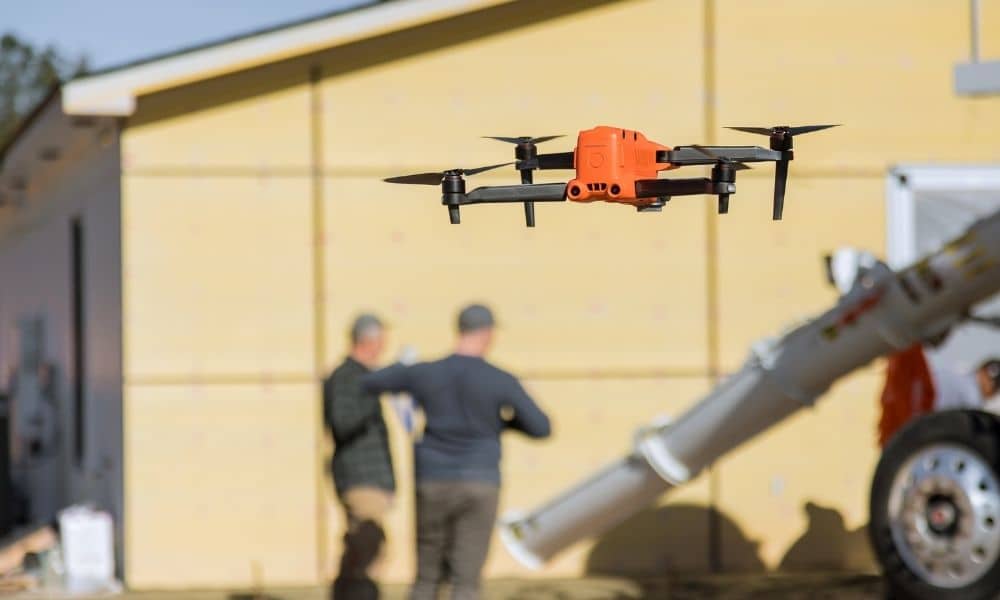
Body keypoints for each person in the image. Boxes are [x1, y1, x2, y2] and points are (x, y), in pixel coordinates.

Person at [362, 303, 551, 600]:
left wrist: (403, 365)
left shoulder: (426, 372)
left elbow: (371, 381)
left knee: (426, 576)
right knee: (466, 579)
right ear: (488, 334)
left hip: (433, 479)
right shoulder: (500, 379)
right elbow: (541, 427)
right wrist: (502, 424)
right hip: (481, 481)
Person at [324, 314, 395, 600]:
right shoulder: (348, 377)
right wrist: (371, 393)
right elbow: (342, 423)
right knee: (367, 551)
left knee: (363, 550)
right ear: (370, 340)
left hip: (370, 478)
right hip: (359, 476)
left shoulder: (362, 377)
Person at [878, 346, 1000, 446]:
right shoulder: (973, 397)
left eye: (994, 384)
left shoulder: (957, 371)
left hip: (906, 411)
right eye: (990, 380)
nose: (989, 385)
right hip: (913, 420)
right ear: (981, 370)